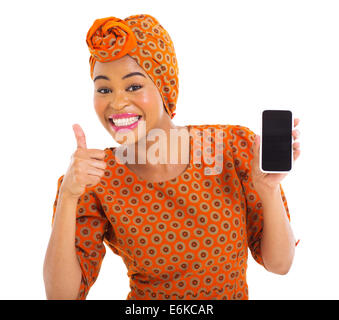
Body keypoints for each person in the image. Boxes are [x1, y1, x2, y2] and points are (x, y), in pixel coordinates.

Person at [43, 14, 301, 300]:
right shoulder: (94, 177)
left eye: (134, 86)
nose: (116, 103)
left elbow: (280, 264)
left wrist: (268, 189)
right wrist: (68, 195)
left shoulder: (231, 147)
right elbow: (61, 296)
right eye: (104, 89)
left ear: (164, 87)